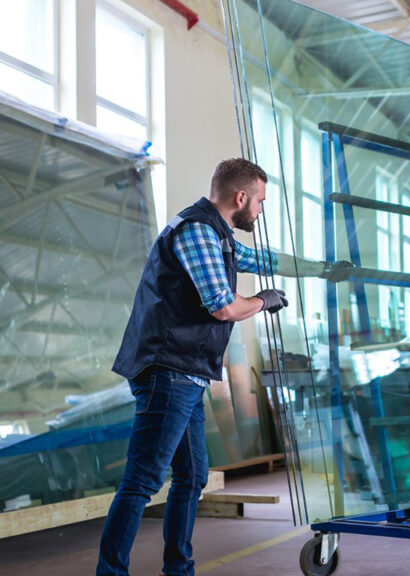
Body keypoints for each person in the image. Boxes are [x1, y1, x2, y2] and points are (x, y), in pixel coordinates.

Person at [97, 158, 351, 576]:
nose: (261, 210)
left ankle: (179, 568)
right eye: (261, 201)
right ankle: (111, 572)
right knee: (142, 481)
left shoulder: (220, 237)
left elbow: (265, 259)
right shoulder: (197, 231)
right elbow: (222, 306)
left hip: (187, 373)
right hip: (168, 371)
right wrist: (263, 302)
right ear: (240, 197)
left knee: (192, 476)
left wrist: (323, 270)